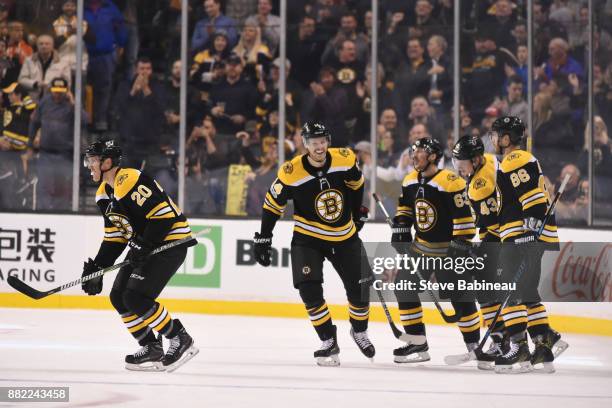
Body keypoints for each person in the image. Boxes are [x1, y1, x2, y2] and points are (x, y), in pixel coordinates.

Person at [252, 121, 375, 366]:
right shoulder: (290, 171)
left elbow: (356, 184)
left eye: (322, 142)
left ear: (327, 141)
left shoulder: (344, 158)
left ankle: (359, 331)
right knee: (308, 288)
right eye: (313, 143)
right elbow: (272, 205)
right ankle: (328, 340)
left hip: (344, 235)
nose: (319, 147)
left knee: (360, 288)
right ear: (304, 145)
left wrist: (357, 211)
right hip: (309, 237)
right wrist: (264, 237)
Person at [81, 139, 198, 372]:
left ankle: (180, 338)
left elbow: (163, 217)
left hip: (170, 244)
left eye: (93, 160)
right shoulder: (104, 194)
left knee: (135, 298)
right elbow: (116, 236)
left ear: (108, 162)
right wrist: (98, 266)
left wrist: (142, 246)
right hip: (149, 246)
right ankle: (151, 348)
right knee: (118, 297)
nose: (89, 165)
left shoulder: (129, 179)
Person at [488, 116, 568, 373]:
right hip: (524, 235)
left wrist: (528, 234)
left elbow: (532, 198)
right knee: (527, 293)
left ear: (507, 138)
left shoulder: (515, 159)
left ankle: (519, 348)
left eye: (497, 134)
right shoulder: (513, 160)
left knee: (509, 291)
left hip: (522, 235)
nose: (493, 138)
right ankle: (544, 344)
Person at [390, 137, 479, 363]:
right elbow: (405, 209)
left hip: (448, 250)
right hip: (420, 249)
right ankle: (417, 344)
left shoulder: (451, 181)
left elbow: (465, 218)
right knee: (403, 287)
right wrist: (400, 227)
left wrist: (460, 245)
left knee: (460, 296)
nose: (414, 156)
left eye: (419, 152)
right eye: (413, 152)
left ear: (432, 157)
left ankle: (474, 345)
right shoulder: (409, 180)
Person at [451, 135, 506, 370]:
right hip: (510, 233)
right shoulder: (492, 161)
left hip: (499, 237)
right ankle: (510, 340)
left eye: (462, 163)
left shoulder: (478, 186)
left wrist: (466, 247)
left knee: (485, 289)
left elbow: (487, 223)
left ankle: (503, 340)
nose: (459, 169)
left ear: (475, 159)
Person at [29, 77, 87, 211]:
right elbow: (34, 123)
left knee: (62, 189)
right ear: (51, 90)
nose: (57, 95)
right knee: (44, 187)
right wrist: (30, 146)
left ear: (66, 91)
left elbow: (84, 120)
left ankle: (61, 217)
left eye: (61, 92)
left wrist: (73, 103)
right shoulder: (44, 102)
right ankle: (43, 215)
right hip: (45, 153)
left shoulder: (71, 104)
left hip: (65, 154)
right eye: (55, 91)